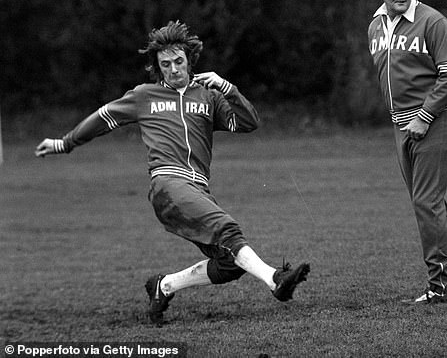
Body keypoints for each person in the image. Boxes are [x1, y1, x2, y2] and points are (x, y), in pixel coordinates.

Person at [35, 20, 310, 325]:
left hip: (198, 189)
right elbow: (103, 118)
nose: (173, 69)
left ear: (190, 61)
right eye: (165, 64)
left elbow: (248, 123)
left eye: (179, 62)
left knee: (229, 265)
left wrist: (229, 88)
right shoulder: (144, 96)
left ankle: (163, 286)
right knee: (227, 228)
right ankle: (275, 280)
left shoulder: (209, 96)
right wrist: (65, 143)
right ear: (157, 67)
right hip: (167, 185)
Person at [367, 0, 447, 304]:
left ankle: (439, 286)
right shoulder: (376, 26)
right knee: (432, 205)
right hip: (402, 127)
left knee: (426, 203)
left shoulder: (432, 21)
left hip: (434, 122)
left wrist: (425, 115)